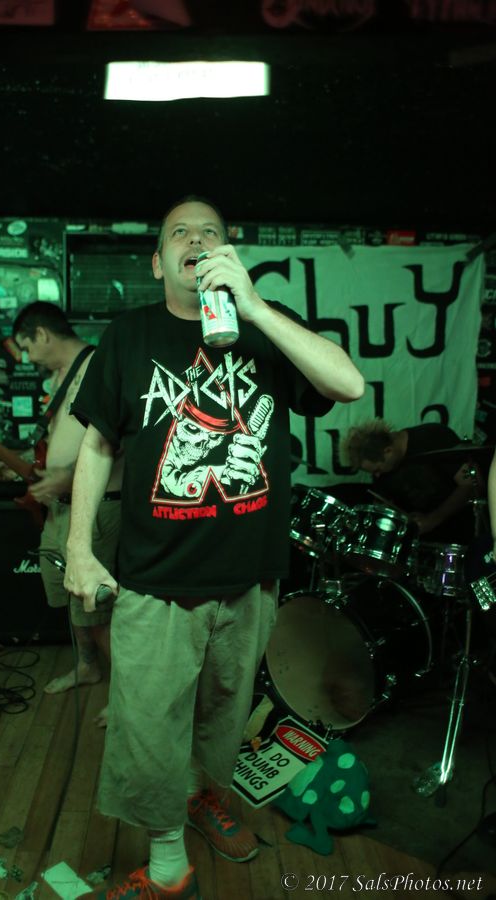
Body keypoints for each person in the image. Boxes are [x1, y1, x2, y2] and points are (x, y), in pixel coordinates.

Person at [64, 196, 365, 899]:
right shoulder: (128, 336)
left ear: (229, 252)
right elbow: (98, 446)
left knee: (225, 714)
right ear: (157, 261)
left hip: (250, 579)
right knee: (148, 725)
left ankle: (205, 796)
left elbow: (348, 383)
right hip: (156, 581)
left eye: (210, 232)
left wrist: (254, 307)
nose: (195, 240)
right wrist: (78, 546)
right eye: (180, 232)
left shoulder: (264, 325)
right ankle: (169, 861)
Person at [0, 301, 123, 714]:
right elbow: (60, 442)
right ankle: (88, 667)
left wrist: (70, 476)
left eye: (27, 347)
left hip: (96, 506)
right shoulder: (60, 375)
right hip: (60, 509)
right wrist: (25, 465)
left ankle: (126, 698)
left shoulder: (100, 365)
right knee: (70, 597)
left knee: (96, 609)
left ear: (42, 334)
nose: (27, 358)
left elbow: (125, 438)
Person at [342, 418, 483, 543]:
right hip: (421, 543)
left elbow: (470, 484)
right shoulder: (384, 470)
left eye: (377, 469)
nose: (377, 475)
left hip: (461, 531)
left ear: (388, 451)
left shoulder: (433, 437)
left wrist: (432, 520)